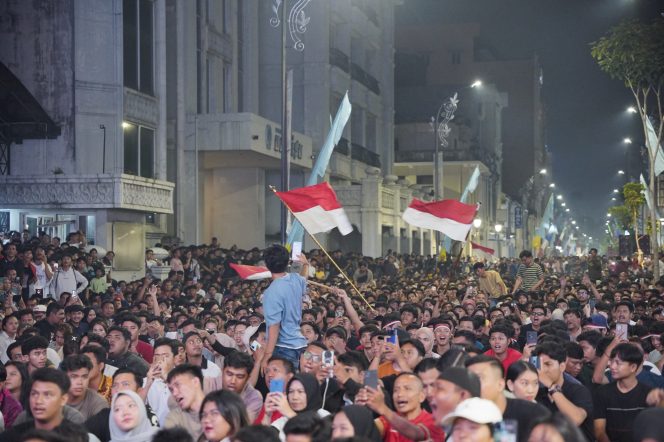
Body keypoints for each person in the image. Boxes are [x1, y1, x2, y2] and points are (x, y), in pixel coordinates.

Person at [465, 355, 549, 441]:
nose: (471, 385)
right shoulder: (463, 417)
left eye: (478, 378)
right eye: (468, 380)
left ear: (500, 384)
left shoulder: (535, 414)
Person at [593, 343, 658, 442]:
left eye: (618, 363)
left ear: (633, 367)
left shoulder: (648, 394)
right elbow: (599, 431)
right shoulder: (602, 392)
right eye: (612, 361)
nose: (612, 366)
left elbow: (652, 430)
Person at [0, 368, 85, 441]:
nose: (38, 401)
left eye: (47, 394)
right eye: (34, 394)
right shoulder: (12, 437)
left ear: (63, 399)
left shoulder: (77, 437)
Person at [532, 341, 594, 440]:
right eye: (540, 365)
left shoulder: (579, 390)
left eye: (548, 364)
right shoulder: (536, 392)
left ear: (562, 366)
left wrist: (551, 386)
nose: (542, 370)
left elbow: (575, 419)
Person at [262, 245, 310, 370]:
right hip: (301, 345)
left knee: (283, 387)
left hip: (284, 348)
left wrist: (267, 355)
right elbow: (303, 279)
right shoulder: (295, 279)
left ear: (267, 265)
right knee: (298, 387)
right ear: (287, 262)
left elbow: (274, 325)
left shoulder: (270, 292)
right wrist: (306, 265)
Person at [363, 372, 445, 441]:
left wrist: (383, 409)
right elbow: (364, 433)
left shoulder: (434, 422)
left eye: (407, 389)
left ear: (421, 396)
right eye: (396, 390)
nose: (400, 394)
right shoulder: (386, 419)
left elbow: (416, 434)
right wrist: (360, 408)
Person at [264, 372, 330, 439]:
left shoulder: (323, 416)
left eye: (300, 391)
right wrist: (267, 415)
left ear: (311, 392)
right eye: (291, 391)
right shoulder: (283, 420)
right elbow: (263, 438)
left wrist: (289, 413)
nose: (295, 397)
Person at [60, 354, 109, 420]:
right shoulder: (54, 398)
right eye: (74, 376)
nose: (80, 382)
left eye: (84, 377)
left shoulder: (99, 403)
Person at [164, 364, 206, 440]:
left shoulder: (220, 409)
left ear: (195, 382)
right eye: (171, 389)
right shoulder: (175, 417)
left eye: (178, 385)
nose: (174, 393)